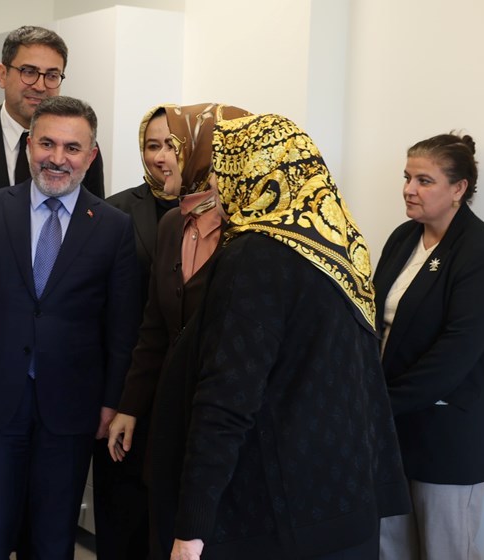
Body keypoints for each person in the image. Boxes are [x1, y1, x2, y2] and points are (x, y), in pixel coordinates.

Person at [152, 113, 411, 559]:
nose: (215, 184)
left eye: (222, 170)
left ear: (252, 173)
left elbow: (227, 398)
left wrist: (191, 527)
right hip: (345, 500)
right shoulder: (342, 248)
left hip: (273, 513)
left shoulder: (256, 256)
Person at [0, 95, 141, 560]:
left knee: (53, 540)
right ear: (29, 145)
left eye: (72, 148)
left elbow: (121, 326)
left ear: (91, 155)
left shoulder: (114, 227)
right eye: (47, 144)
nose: (57, 158)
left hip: (71, 409)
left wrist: (112, 401)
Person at [105, 103, 249, 558]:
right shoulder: (173, 223)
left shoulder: (247, 234)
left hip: (221, 417)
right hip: (169, 412)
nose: (162, 157)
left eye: (176, 146)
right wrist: (130, 407)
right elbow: (155, 328)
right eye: (156, 146)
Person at [375, 133, 484, 560]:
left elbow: (457, 351)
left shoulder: (480, 250)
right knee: (389, 548)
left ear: (458, 189)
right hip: (393, 429)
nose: (409, 189)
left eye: (424, 180)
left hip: (448, 434)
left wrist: (382, 402)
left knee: (444, 551)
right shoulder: (402, 238)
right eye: (407, 177)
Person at [0, 25, 105, 235]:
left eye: (52, 75)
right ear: (2, 75)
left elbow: (94, 224)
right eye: (28, 72)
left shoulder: (78, 151)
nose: (40, 86)